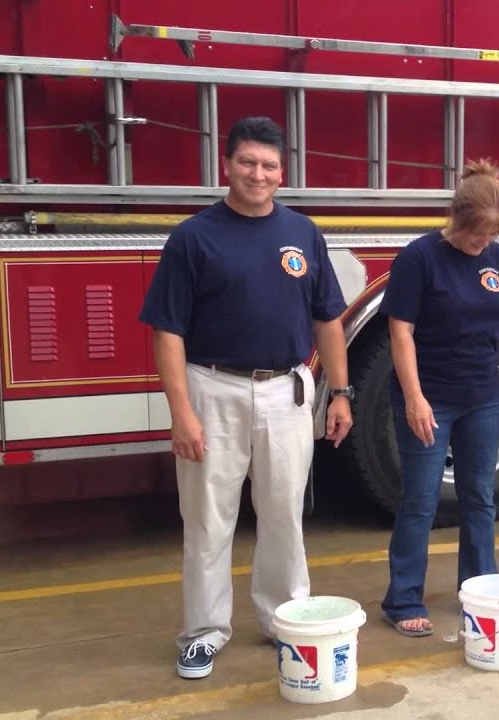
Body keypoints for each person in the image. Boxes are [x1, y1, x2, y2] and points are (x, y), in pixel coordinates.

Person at [138, 116, 353, 679]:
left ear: (283, 173)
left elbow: (328, 319)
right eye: (247, 163)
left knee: (284, 514)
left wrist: (342, 393)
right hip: (213, 389)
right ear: (226, 166)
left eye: (269, 165)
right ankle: (203, 632)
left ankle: (285, 619)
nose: (258, 174)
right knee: (209, 520)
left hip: (287, 390)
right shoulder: (194, 237)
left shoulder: (303, 234)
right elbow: (167, 331)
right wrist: (180, 411)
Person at [378, 159, 499, 637]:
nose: (481, 244)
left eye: (491, 236)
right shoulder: (420, 258)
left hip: (482, 398)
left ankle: (479, 589)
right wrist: (414, 397)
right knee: (421, 501)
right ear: (457, 219)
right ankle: (403, 598)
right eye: (475, 235)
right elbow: (400, 331)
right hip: (432, 399)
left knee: (480, 497)